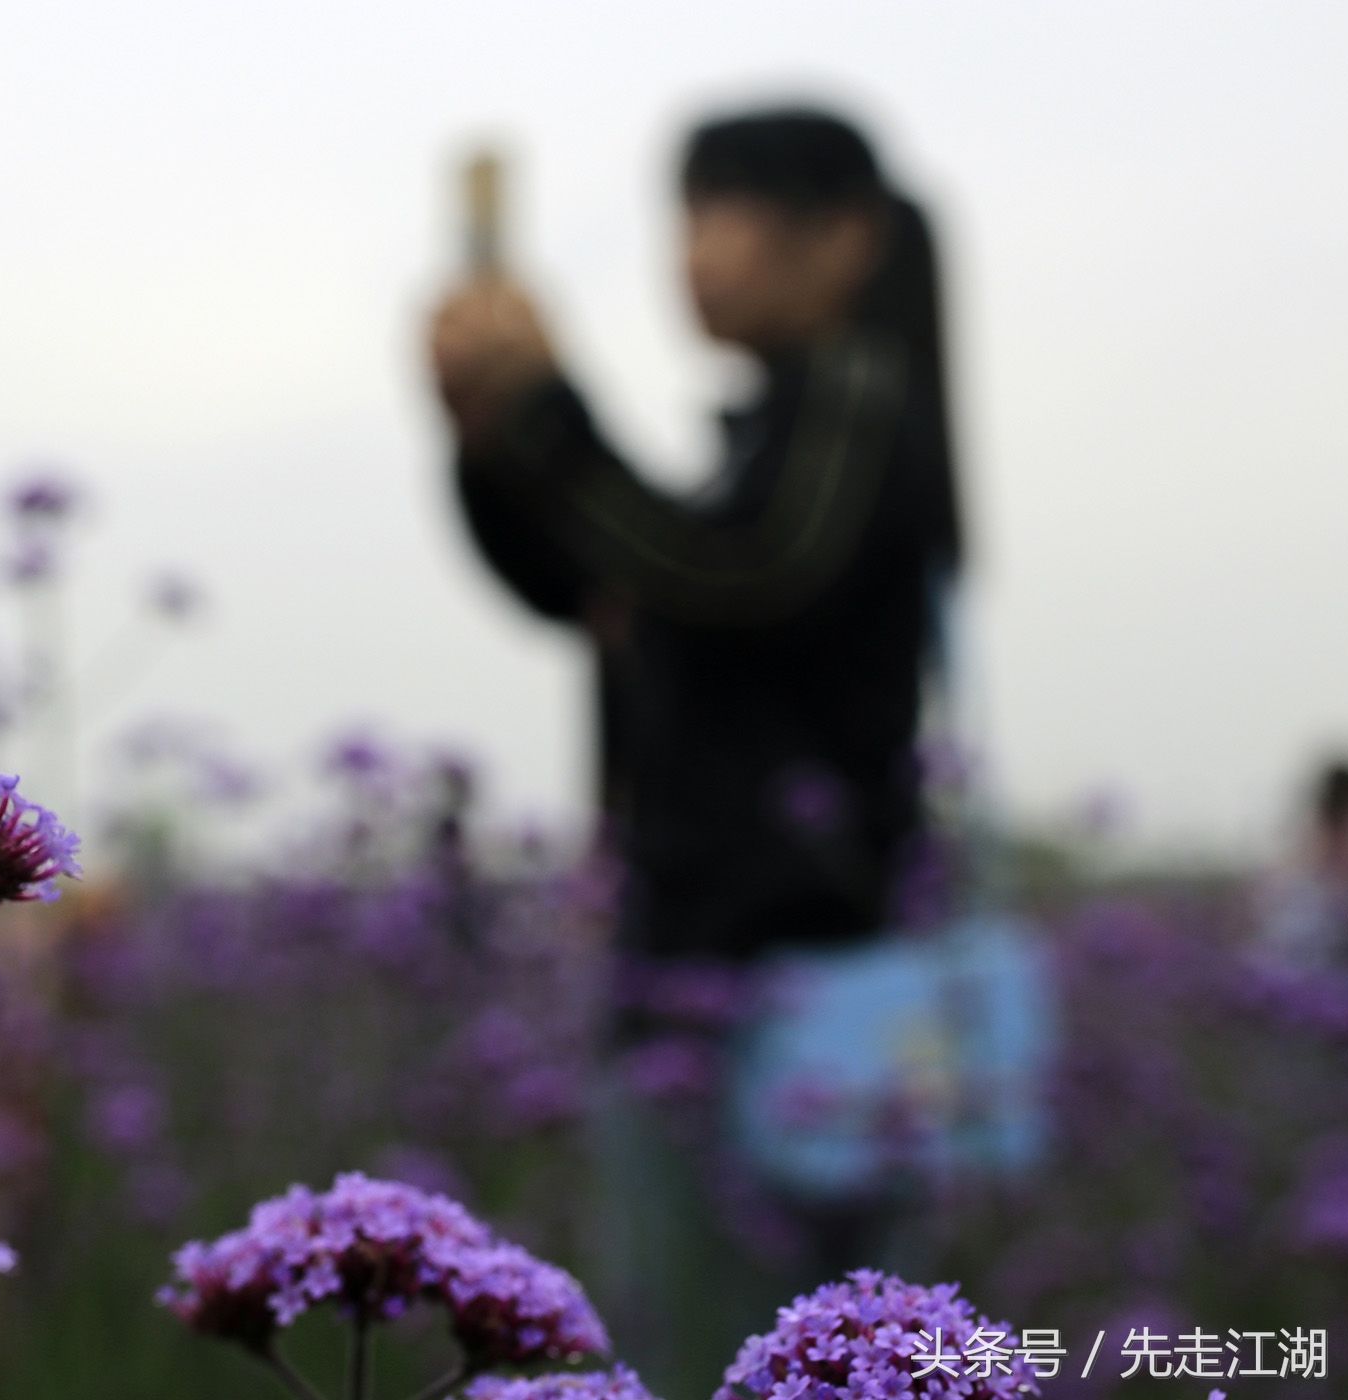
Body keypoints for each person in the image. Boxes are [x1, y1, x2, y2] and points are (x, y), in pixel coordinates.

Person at [425, 105, 963, 1391]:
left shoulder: (858, 406)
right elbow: (597, 587)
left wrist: (550, 416)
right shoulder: (770, 434)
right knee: (695, 1328)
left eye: (729, 210)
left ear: (848, 239)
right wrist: (488, 435)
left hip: (806, 971)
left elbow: (742, 573)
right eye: (686, 213)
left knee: (788, 1342)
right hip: (689, 959)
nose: (696, 249)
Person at [1257, 759, 1348, 970]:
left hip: (1298, 916)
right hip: (1318, 918)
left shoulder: (1311, 824)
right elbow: (1345, 876)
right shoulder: (1332, 829)